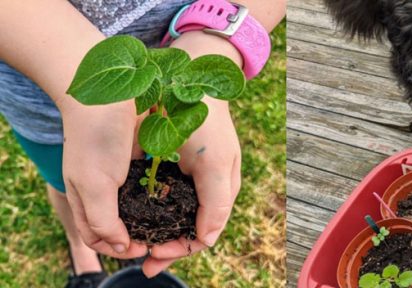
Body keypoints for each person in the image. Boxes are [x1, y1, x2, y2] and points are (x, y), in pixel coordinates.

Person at [0, 1, 284, 286]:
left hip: (177, 54)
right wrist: (73, 73)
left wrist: (214, 40)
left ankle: (120, 234)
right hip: (36, 96)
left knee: (142, 164)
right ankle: (81, 247)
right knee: (66, 184)